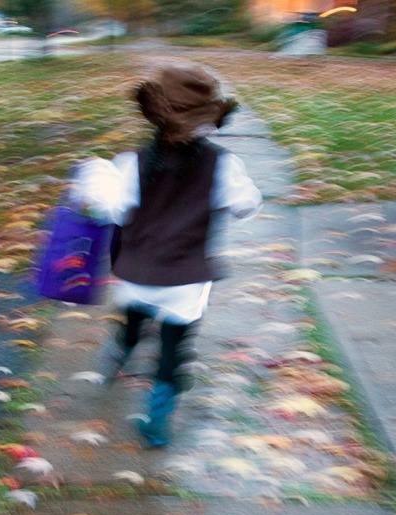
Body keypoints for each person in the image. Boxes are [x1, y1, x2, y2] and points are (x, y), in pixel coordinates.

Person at [69, 61, 263, 447]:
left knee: (133, 320)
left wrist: (94, 181)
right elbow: (247, 205)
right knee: (174, 349)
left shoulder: (133, 163)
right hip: (186, 280)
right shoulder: (223, 165)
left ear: (155, 116)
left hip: (136, 273)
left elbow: (113, 209)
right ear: (209, 121)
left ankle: (117, 356)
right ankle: (156, 423)